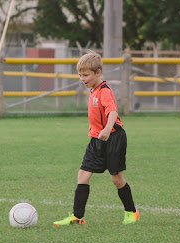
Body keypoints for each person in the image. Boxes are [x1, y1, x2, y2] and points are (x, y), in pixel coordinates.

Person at [53, 50, 139, 226]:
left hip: (114, 138)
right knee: (83, 175)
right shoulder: (92, 90)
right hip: (96, 139)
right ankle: (78, 217)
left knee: (117, 179)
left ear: (98, 73)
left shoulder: (104, 91)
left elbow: (113, 111)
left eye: (86, 75)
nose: (82, 79)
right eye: (80, 75)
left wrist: (107, 129)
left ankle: (132, 211)